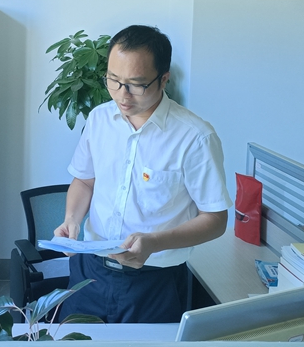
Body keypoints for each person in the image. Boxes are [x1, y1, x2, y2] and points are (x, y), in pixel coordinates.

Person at [54, 25, 232, 324]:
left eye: (136, 85)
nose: (122, 95)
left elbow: (215, 219)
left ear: (163, 79)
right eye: (113, 80)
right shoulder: (99, 119)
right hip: (90, 272)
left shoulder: (195, 137)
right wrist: (72, 219)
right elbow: (85, 180)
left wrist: (154, 242)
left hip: (155, 282)